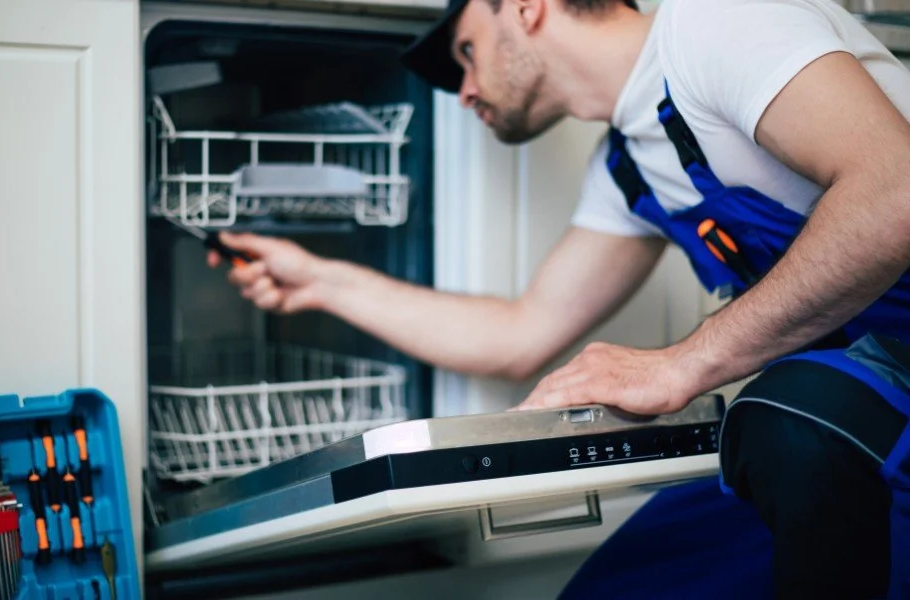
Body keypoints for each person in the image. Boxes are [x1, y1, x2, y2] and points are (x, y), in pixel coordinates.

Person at [207, 0, 910, 597]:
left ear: (526, 6)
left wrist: (684, 362)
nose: (465, 91)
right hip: (871, 393)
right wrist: (322, 279)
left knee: (788, 418)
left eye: (468, 51)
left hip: (851, 407)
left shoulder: (716, 23)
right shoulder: (628, 167)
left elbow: (895, 193)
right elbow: (519, 335)